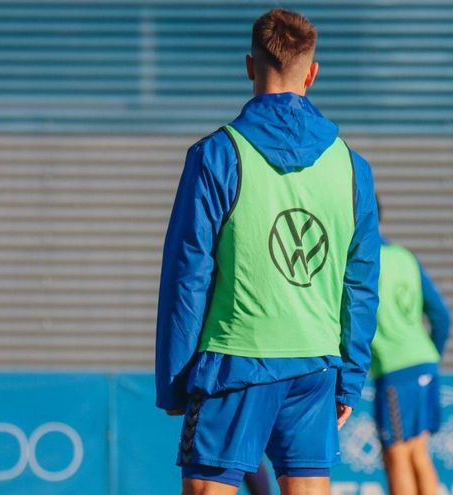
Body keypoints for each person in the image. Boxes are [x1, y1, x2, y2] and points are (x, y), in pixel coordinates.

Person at [155, 8, 379, 495]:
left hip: (234, 362)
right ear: (312, 73)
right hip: (316, 363)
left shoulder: (217, 153)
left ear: (250, 66)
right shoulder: (352, 166)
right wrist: (349, 378)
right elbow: (359, 283)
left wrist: (174, 378)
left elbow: (187, 274)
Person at [370, 198, 451, 495]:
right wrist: (430, 357)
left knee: (397, 454)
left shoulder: (360, 261)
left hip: (395, 369)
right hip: (423, 362)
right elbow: (441, 315)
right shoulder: (404, 256)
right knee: (418, 451)